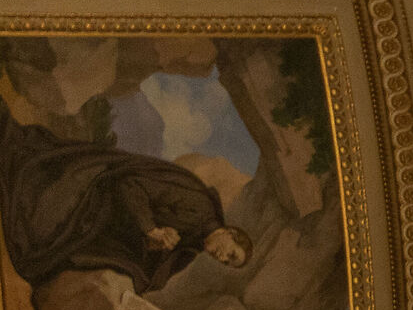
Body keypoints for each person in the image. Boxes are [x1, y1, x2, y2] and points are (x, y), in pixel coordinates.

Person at [0, 116, 250, 295]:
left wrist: (152, 244)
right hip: (102, 189)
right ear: (231, 233)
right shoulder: (198, 205)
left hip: (112, 222)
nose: (221, 258)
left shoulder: (194, 244)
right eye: (230, 254)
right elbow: (131, 185)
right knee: (35, 219)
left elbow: (150, 267)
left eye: (226, 263)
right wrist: (151, 229)